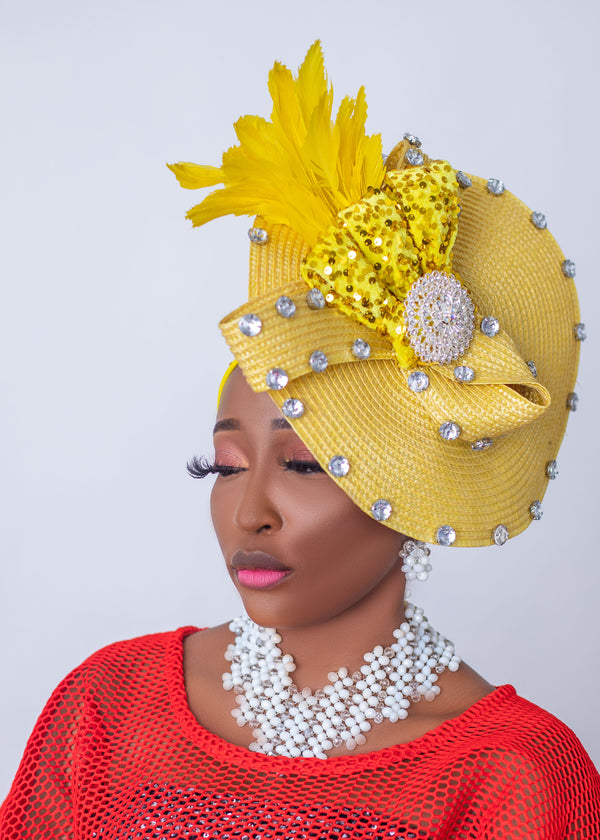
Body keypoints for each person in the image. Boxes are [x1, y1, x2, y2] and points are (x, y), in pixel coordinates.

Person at [1, 41, 598, 839]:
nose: (248, 513)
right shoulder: (110, 706)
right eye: (221, 465)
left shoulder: (510, 776)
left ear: (421, 488)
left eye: (305, 464)